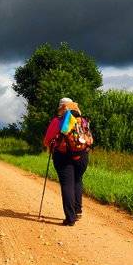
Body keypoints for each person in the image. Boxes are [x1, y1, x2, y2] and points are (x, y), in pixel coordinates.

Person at [42, 97, 92, 226]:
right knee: (77, 180)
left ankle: (70, 218)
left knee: (67, 185)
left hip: (63, 157)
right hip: (82, 155)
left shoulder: (57, 121)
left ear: (61, 108)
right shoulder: (82, 120)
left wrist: (51, 146)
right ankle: (77, 211)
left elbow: (47, 140)